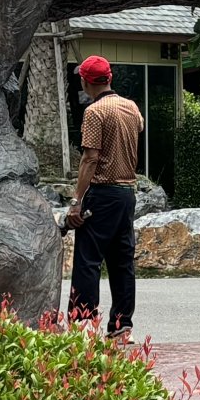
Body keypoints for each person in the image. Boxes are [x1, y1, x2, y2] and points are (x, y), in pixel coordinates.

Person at [61, 54, 143, 334]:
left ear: (85, 81)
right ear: (110, 78)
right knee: (122, 261)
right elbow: (138, 130)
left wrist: (76, 200)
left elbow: (90, 158)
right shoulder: (131, 107)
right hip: (127, 193)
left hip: (103, 192)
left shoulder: (94, 113)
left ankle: (83, 322)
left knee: (88, 258)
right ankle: (122, 324)